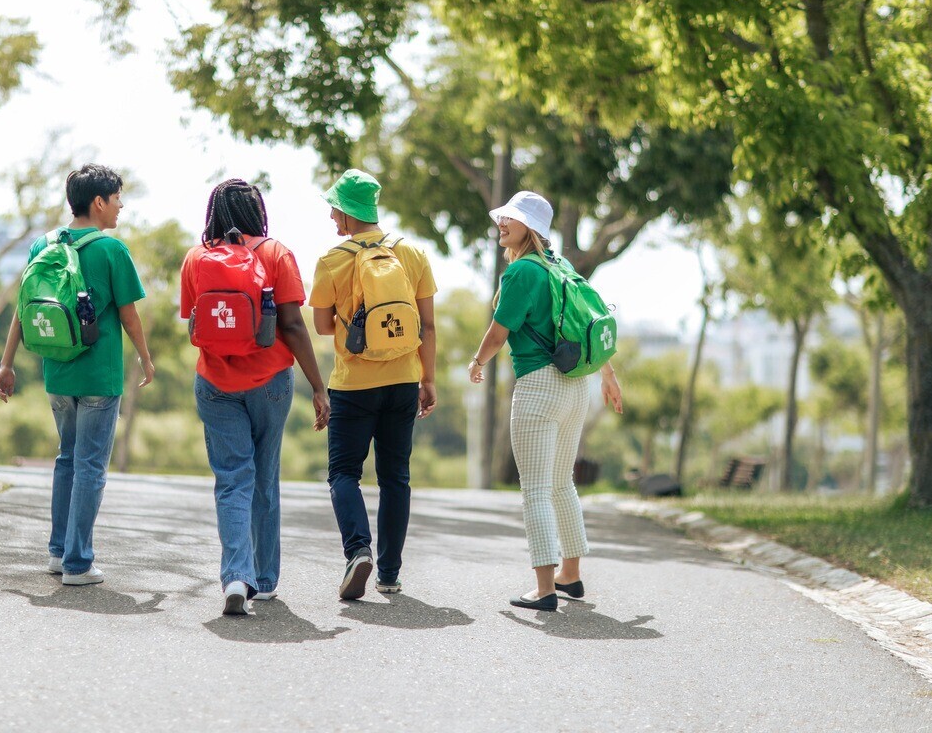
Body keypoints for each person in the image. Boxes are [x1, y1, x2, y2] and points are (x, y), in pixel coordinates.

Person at [0, 164, 155, 586]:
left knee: (66, 458)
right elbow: (129, 315)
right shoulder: (111, 250)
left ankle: (57, 550)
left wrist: (7, 363)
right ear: (99, 202)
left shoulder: (42, 246)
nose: (121, 206)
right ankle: (78, 562)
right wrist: (145, 358)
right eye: (118, 198)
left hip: (58, 375)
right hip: (99, 377)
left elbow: (22, 312)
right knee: (89, 465)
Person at [181, 178, 330, 616]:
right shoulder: (276, 253)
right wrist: (319, 387)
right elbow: (294, 326)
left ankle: (234, 576)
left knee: (232, 479)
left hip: (214, 383)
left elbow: (194, 323)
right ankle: (264, 581)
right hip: (269, 383)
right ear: (257, 212)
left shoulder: (196, 258)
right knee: (264, 476)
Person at [467, 190, 623, 611]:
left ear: (530, 228)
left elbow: (499, 333)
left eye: (511, 220)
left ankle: (544, 588)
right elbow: (589, 322)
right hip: (576, 388)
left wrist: (477, 361)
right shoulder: (562, 267)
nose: (502, 224)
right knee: (561, 484)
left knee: (535, 490)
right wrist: (608, 375)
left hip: (538, 386)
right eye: (502, 218)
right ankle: (569, 574)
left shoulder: (522, 274)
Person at [309, 168, 437, 600]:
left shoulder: (331, 261)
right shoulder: (413, 254)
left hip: (352, 383)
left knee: (344, 472)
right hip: (404, 379)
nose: (331, 217)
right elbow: (429, 327)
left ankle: (357, 549)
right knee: (395, 477)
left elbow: (324, 327)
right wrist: (429, 378)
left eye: (334, 209)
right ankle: (389, 574)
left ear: (346, 213)